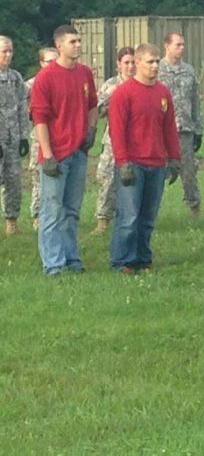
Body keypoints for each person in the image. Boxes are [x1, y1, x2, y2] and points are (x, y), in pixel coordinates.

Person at [30, 25, 98, 275]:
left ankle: (72, 258)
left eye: (79, 41)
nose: (78, 45)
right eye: (73, 41)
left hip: (78, 152)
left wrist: (91, 130)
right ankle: (54, 263)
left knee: (72, 209)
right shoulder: (46, 78)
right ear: (59, 46)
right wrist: (47, 156)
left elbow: (93, 104)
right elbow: (40, 119)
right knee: (51, 210)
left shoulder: (84, 73)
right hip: (55, 155)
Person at [108, 43, 181, 274]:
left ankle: (143, 258)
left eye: (157, 61)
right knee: (128, 218)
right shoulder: (123, 93)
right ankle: (123, 261)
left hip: (157, 164)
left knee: (148, 218)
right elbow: (116, 131)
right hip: (132, 164)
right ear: (137, 63)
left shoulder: (163, 92)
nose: (155, 66)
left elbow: (169, 128)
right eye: (150, 62)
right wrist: (123, 163)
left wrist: (175, 158)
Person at [91, 47, 136, 236]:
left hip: (136, 141)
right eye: (126, 63)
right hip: (113, 140)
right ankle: (103, 220)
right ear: (118, 65)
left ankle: (132, 219)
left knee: (134, 181)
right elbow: (97, 111)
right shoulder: (110, 85)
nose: (130, 66)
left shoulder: (142, 83)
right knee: (108, 180)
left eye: (133, 62)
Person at [158, 32, 203, 218]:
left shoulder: (189, 71)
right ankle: (152, 211)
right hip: (160, 130)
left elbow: (196, 102)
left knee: (189, 171)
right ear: (166, 46)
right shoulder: (157, 69)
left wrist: (198, 130)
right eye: (178, 45)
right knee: (157, 171)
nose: (181, 48)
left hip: (184, 129)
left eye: (183, 45)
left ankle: (194, 209)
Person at [25, 48, 59, 230]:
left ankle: (56, 216)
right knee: (38, 178)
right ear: (41, 63)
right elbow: (15, 104)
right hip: (39, 138)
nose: (52, 66)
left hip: (59, 138)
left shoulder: (62, 81)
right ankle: (37, 215)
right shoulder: (32, 84)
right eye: (48, 62)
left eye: (56, 61)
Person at [0, 36, 30, 236]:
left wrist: (24, 137)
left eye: (11, 51)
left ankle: (11, 221)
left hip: (13, 137)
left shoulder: (16, 78)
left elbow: (22, 108)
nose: (8, 55)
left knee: (13, 180)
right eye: (4, 52)